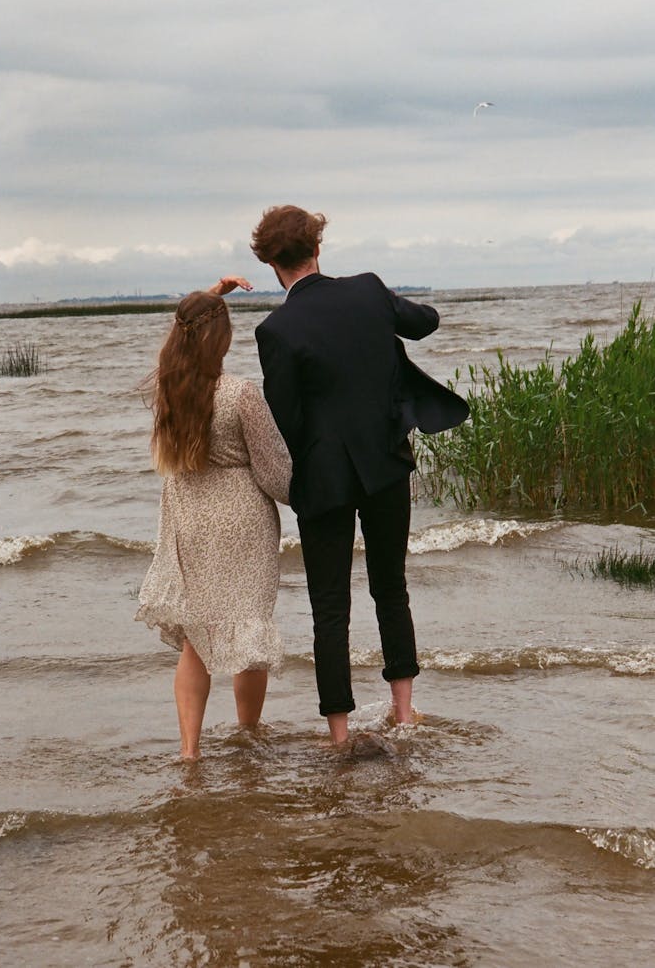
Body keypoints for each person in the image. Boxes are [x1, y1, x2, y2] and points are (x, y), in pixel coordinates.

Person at [251, 206, 469, 746]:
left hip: (322, 480)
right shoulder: (369, 291)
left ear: (272, 263)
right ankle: (403, 712)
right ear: (317, 247)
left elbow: (286, 418)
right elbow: (424, 323)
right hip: (385, 466)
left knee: (330, 608)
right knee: (391, 589)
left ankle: (340, 735)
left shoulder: (274, 330)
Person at [136, 278, 291, 760]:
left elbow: (182, 327)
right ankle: (247, 733)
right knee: (249, 628)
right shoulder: (241, 394)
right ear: (221, 339)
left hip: (189, 518)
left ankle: (189, 752)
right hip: (241, 521)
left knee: (195, 640)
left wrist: (211, 296)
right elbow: (275, 473)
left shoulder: (168, 389)